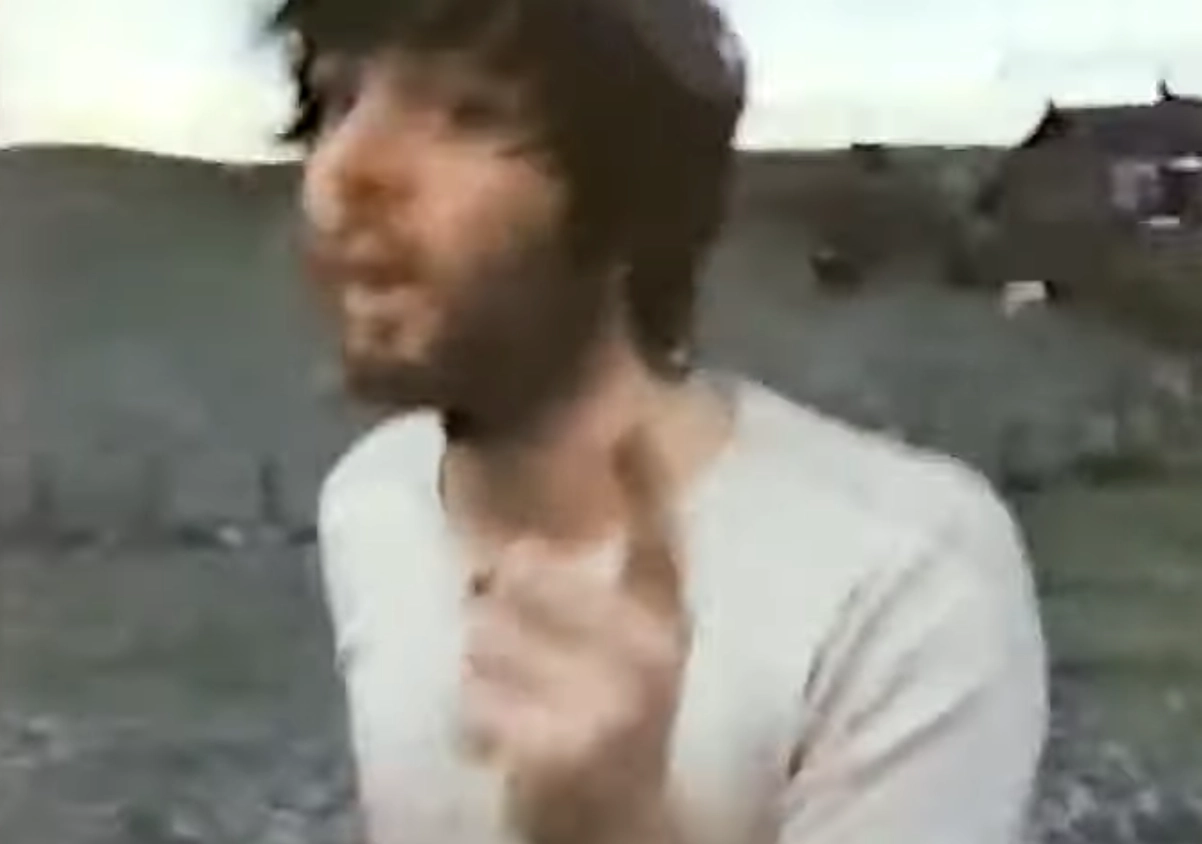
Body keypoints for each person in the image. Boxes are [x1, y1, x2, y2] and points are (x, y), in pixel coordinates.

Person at [271, 0, 1049, 842]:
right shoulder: (370, 501)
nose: (345, 171)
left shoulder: (908, 577)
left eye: (472, 113)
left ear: (629, 196)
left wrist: (616, 827)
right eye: (337, 100)